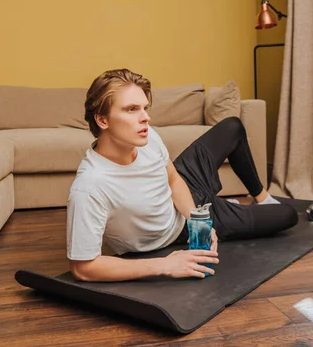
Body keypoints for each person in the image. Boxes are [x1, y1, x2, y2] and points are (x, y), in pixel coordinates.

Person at [67, 69, 298, 282]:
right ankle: (226, 207)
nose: (145, 118)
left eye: (145, 108)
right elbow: (83, 267)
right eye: (131, 109)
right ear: (102, 120)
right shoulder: (90, 186)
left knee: (232, 127)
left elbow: (174, 179)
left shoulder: (146, 136)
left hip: (186, 200)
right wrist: (164, 264)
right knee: (287, 215)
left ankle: (261, 195)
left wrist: (198, 220)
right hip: (176, 232)